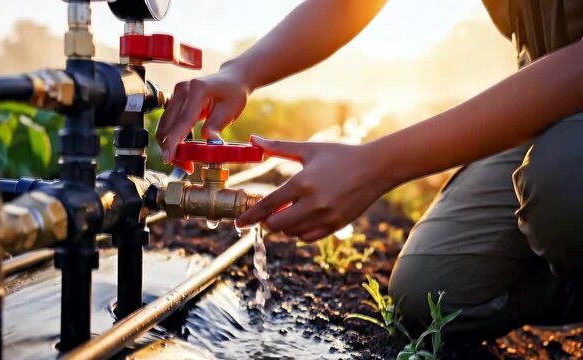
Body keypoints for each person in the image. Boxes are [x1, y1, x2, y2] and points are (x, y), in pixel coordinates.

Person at [156, 0, 583, 338]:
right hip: (544, 103)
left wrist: (375, 166)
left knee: (563, 189)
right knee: (431, 294)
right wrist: (240, 73)